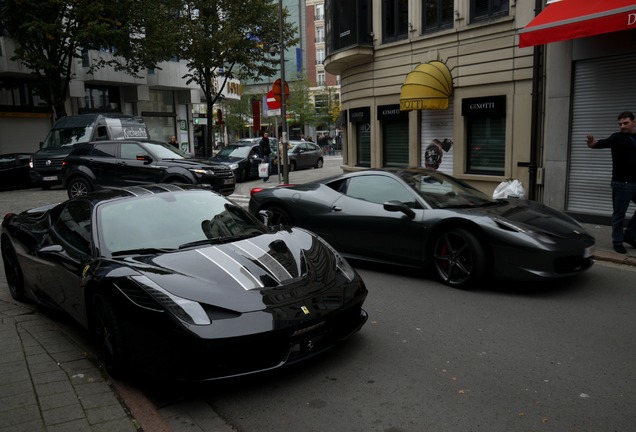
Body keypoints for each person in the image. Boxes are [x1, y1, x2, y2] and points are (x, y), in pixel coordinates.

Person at [587, 111, 636, 254]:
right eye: (620, 124)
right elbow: (600, 143)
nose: (622, 126)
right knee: (619, 214)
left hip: (635, 183)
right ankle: (617, 241)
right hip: (622, 184)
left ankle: (629, 234)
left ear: (633, 122)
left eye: (625, 123)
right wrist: (592, 144)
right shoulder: (617, 138)